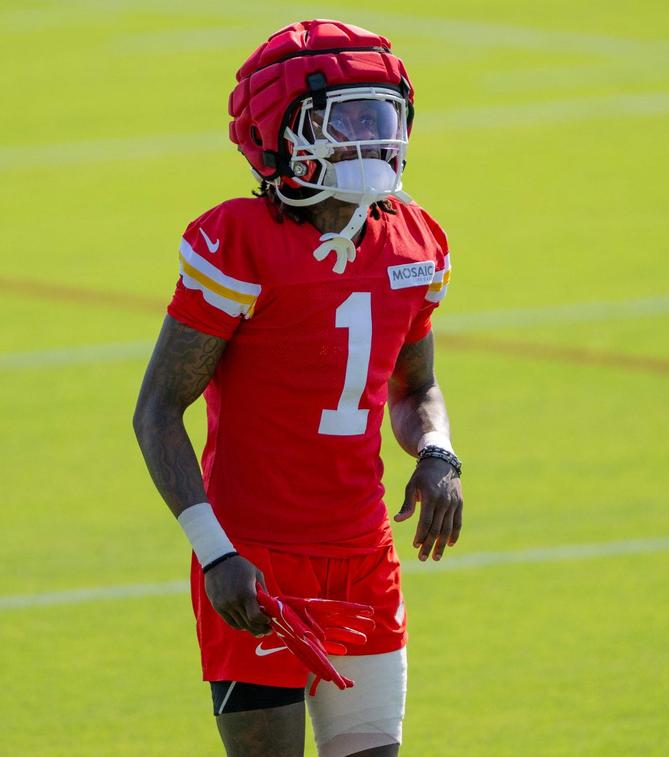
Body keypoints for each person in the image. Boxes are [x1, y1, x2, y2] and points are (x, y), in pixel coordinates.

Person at [133, 19, 464, 757]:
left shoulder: (413, 241)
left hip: (363, 555)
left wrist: (438, 452)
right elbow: (157, 409)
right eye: (344, 119)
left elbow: (418, 389)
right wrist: (214, 552)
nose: (367, 138)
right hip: (253, 556)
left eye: (379, 116)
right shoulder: (240, 243)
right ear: (278, 132)